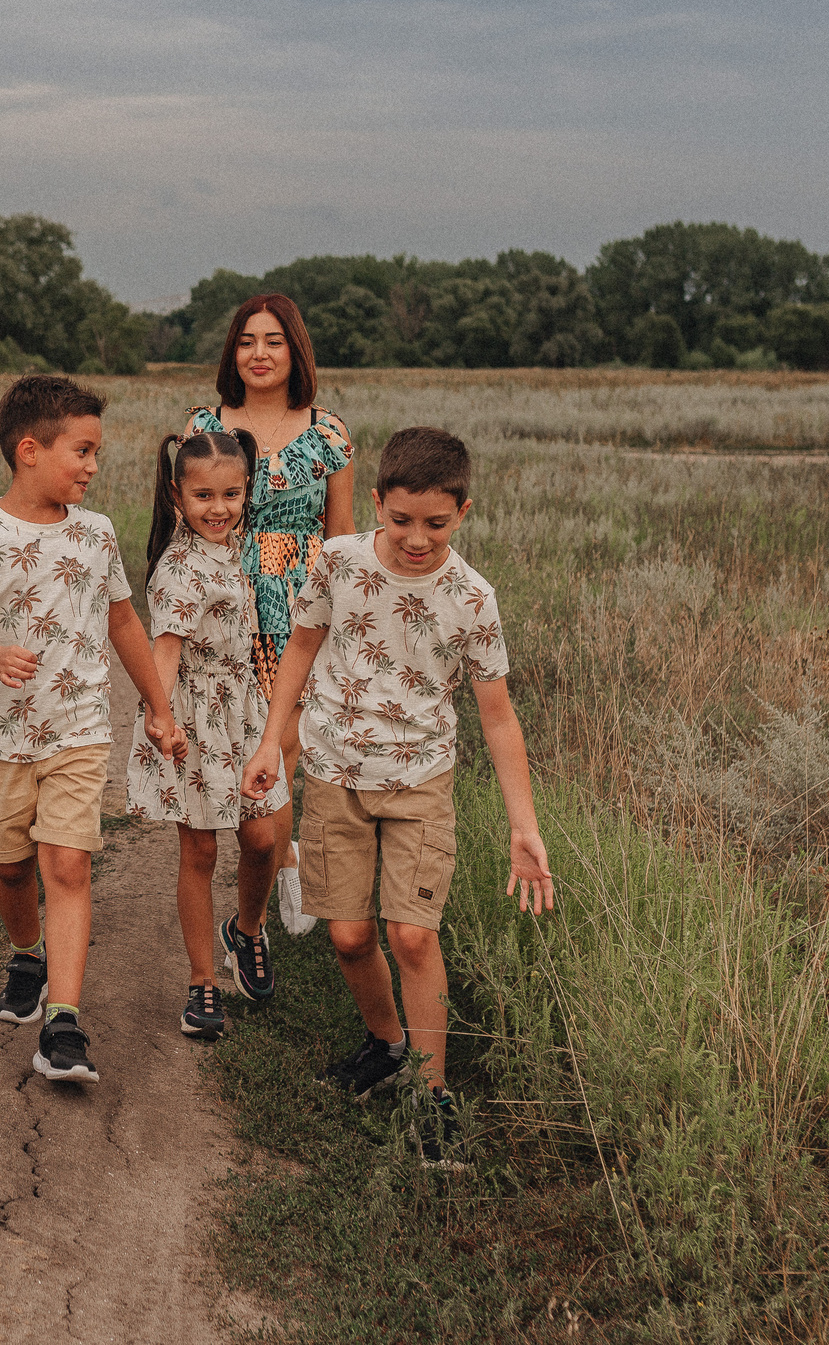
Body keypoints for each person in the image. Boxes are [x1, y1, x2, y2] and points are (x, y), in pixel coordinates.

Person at [239, 426, 555, 1168]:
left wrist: (523, 825)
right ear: (377, 501)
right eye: (402, 519)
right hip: (334, 776)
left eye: (436, 524)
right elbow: (303, 649)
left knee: (411, 935)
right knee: (349, 937)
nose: (417, 538)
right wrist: (267, 741)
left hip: (419, 783)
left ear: (464, 512)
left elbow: (499, 716)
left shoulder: (473, 598)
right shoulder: (340, 563)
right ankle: (385, 1044)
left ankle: (432, 1091)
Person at [0, 375, 187, 1085]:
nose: (93, 465)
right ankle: (26, 952)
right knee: (11, 866)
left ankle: (65, 1023)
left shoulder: (96, 533)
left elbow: (122, 622)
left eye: (96, 452)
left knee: (68, 865)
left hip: (78, 730)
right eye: (82, 450)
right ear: (28, 451)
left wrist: (158, 709)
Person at [185, 293, 355, 935]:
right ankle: (278, 853)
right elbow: (189, 522)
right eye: (248, 341)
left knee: (279, 747)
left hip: (303, 605)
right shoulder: (208, 424)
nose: (259, 353)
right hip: (227, 600)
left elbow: (340, 534)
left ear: (295, 352)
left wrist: (351, 614)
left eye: (274, 341)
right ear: (234, 351)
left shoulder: (327, 432)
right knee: (231, 741)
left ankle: (276, 864)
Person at [127, 428, 290, 1040]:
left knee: (263, 835)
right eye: (203, 497)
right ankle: (202, 981)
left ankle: (246, 931)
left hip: (246, 706)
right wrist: (158, 712)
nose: (218, 509)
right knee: (199, 850)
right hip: (195, 716)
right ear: (178, 496)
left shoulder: (243, 543)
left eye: (231, 494)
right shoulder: (176, 569)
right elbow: (163, 652)